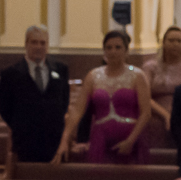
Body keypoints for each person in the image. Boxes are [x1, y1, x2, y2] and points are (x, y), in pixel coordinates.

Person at [54, 31, 151, 165]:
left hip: (130, 140)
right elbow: (77, 110)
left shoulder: (138, 76)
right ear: (104, 51)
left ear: (126, 51)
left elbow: (146, 112)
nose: (113, 51)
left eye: (118, 47)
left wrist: (131, 140)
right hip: (101, 140)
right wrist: (64, 140)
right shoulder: (93, 76)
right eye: (109, 47)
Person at [0, 25, 71, 163]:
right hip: (24, 143)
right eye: (34, 42)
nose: (39, 46)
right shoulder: (10, 74)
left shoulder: (61, 69)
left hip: (54, 142)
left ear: (47, 45)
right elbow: (4, 108)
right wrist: (21, 125)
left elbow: (64, 102)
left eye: (42, 43)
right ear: (26, 44)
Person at [141, 26, 181, 148]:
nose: (175, 44)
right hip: (153, 114)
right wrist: (165, 115)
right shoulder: (150, 67)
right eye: (171, 40)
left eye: (179, 41)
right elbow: (144, 97)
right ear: (164, 43)